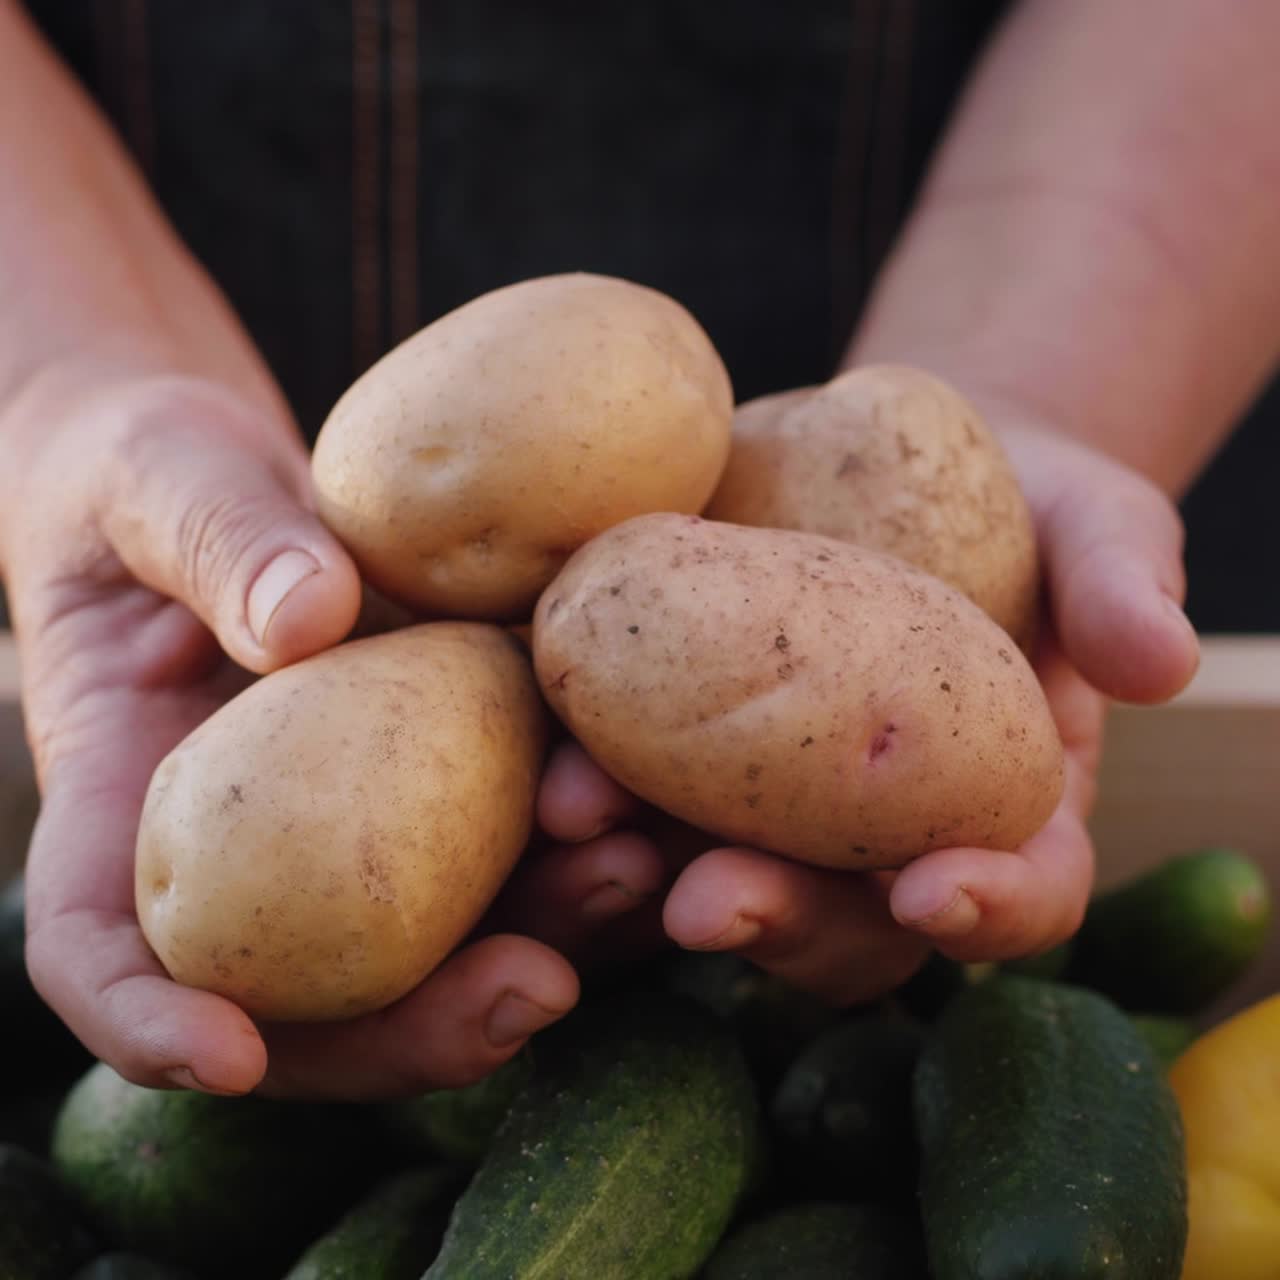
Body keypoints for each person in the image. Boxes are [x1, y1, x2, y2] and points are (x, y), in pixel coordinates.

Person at [1, 0, 1275, 1099]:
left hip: (1068, 240)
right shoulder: (489, 587)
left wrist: (1033, 387)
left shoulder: (650, 564)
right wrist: (63, 376)